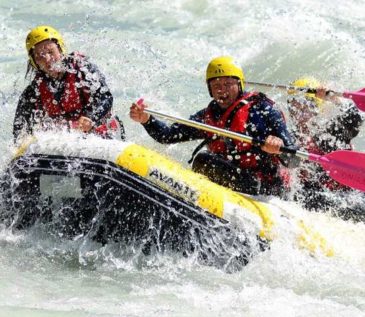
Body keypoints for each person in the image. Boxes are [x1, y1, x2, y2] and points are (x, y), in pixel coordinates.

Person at [130, 56, 296, 196]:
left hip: (265, 188)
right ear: (210, 90)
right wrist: (146, 119)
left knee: (204, 161)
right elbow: (167, 135)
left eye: (227, 84)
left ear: (239, 84)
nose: (222, 90)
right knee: (203, 161)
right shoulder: (206, 117)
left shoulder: (262, 109)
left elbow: (294, 159)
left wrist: (279, 148)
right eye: (216, 85)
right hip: (231, 183)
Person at [13, 25, 124, 143]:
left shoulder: (82, 70)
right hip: (69, 141)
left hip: (102, 133)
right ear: (34, 62)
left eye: (51, 52)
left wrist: (90, 117)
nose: (47, 59)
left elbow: (106, 97)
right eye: (40, 56)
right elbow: (19, 129)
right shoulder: (33, 91)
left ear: (60, 50)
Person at [287, 77, 364, 211]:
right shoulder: (290, 137)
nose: (298, 110)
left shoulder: (328, 133)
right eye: (293, 104)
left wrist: (333, 98)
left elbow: (354, 117)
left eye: (304, 103)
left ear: (316, 107)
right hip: (313, 196)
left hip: (348, 198)